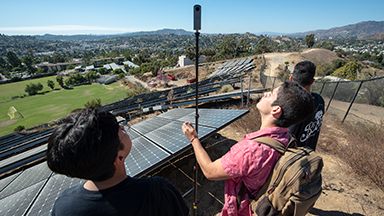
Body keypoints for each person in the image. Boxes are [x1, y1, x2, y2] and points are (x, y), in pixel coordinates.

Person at [182, 81, 314, 216]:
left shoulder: (250, 151)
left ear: (276, 110)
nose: (265, 93)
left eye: (271, 94)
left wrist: (194, 139)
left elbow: (210, 171)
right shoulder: (287, 138)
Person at [46, 108, 189, 216]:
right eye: (121, 130)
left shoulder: (63, 206)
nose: (123, 128)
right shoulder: (157, 192)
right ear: (119, 158)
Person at [289, 61, 325, 151]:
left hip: (294, 160)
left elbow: (286, 139)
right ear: (312, 81)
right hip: (311, 157)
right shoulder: (319, 100)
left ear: (291, 79)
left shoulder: (294, 106)